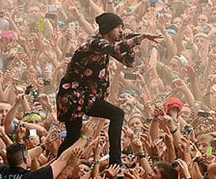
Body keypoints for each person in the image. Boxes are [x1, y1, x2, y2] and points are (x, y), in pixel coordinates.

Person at [55, 12, 161, 165]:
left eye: (122, 28)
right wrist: (138, 39)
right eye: (118, 27)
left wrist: (136, 41)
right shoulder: (94, 43)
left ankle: (115, 161)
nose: (121, 31)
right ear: (108, 28)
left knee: (115, 115)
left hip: (86, 98)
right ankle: (58, 167)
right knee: (73, 136)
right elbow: (114, 49)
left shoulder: (105, 47)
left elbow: (128, 62)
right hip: (73, 97)